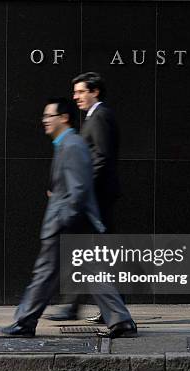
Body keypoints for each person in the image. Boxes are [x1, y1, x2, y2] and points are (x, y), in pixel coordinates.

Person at [0, 97, 136, 338]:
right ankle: (121, 320)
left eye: (49, 116)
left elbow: (79, 188)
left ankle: (25, 322)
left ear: (64, 118)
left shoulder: (72, 145)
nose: (45, 121)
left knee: (45, 274)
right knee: (91, 273)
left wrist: (62, 218)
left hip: (65, 226)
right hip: (72, 224)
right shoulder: (67, 144)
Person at [45, 72, 121, 324]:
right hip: (95, 196)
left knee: (86, 254)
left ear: (94, 91)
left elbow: (101, 157)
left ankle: (81, 307)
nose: (75, 96)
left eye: (80, 91)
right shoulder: (94, 117)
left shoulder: (99, 117)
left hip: (96, 197)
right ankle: (103, 309)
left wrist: (79, 188)